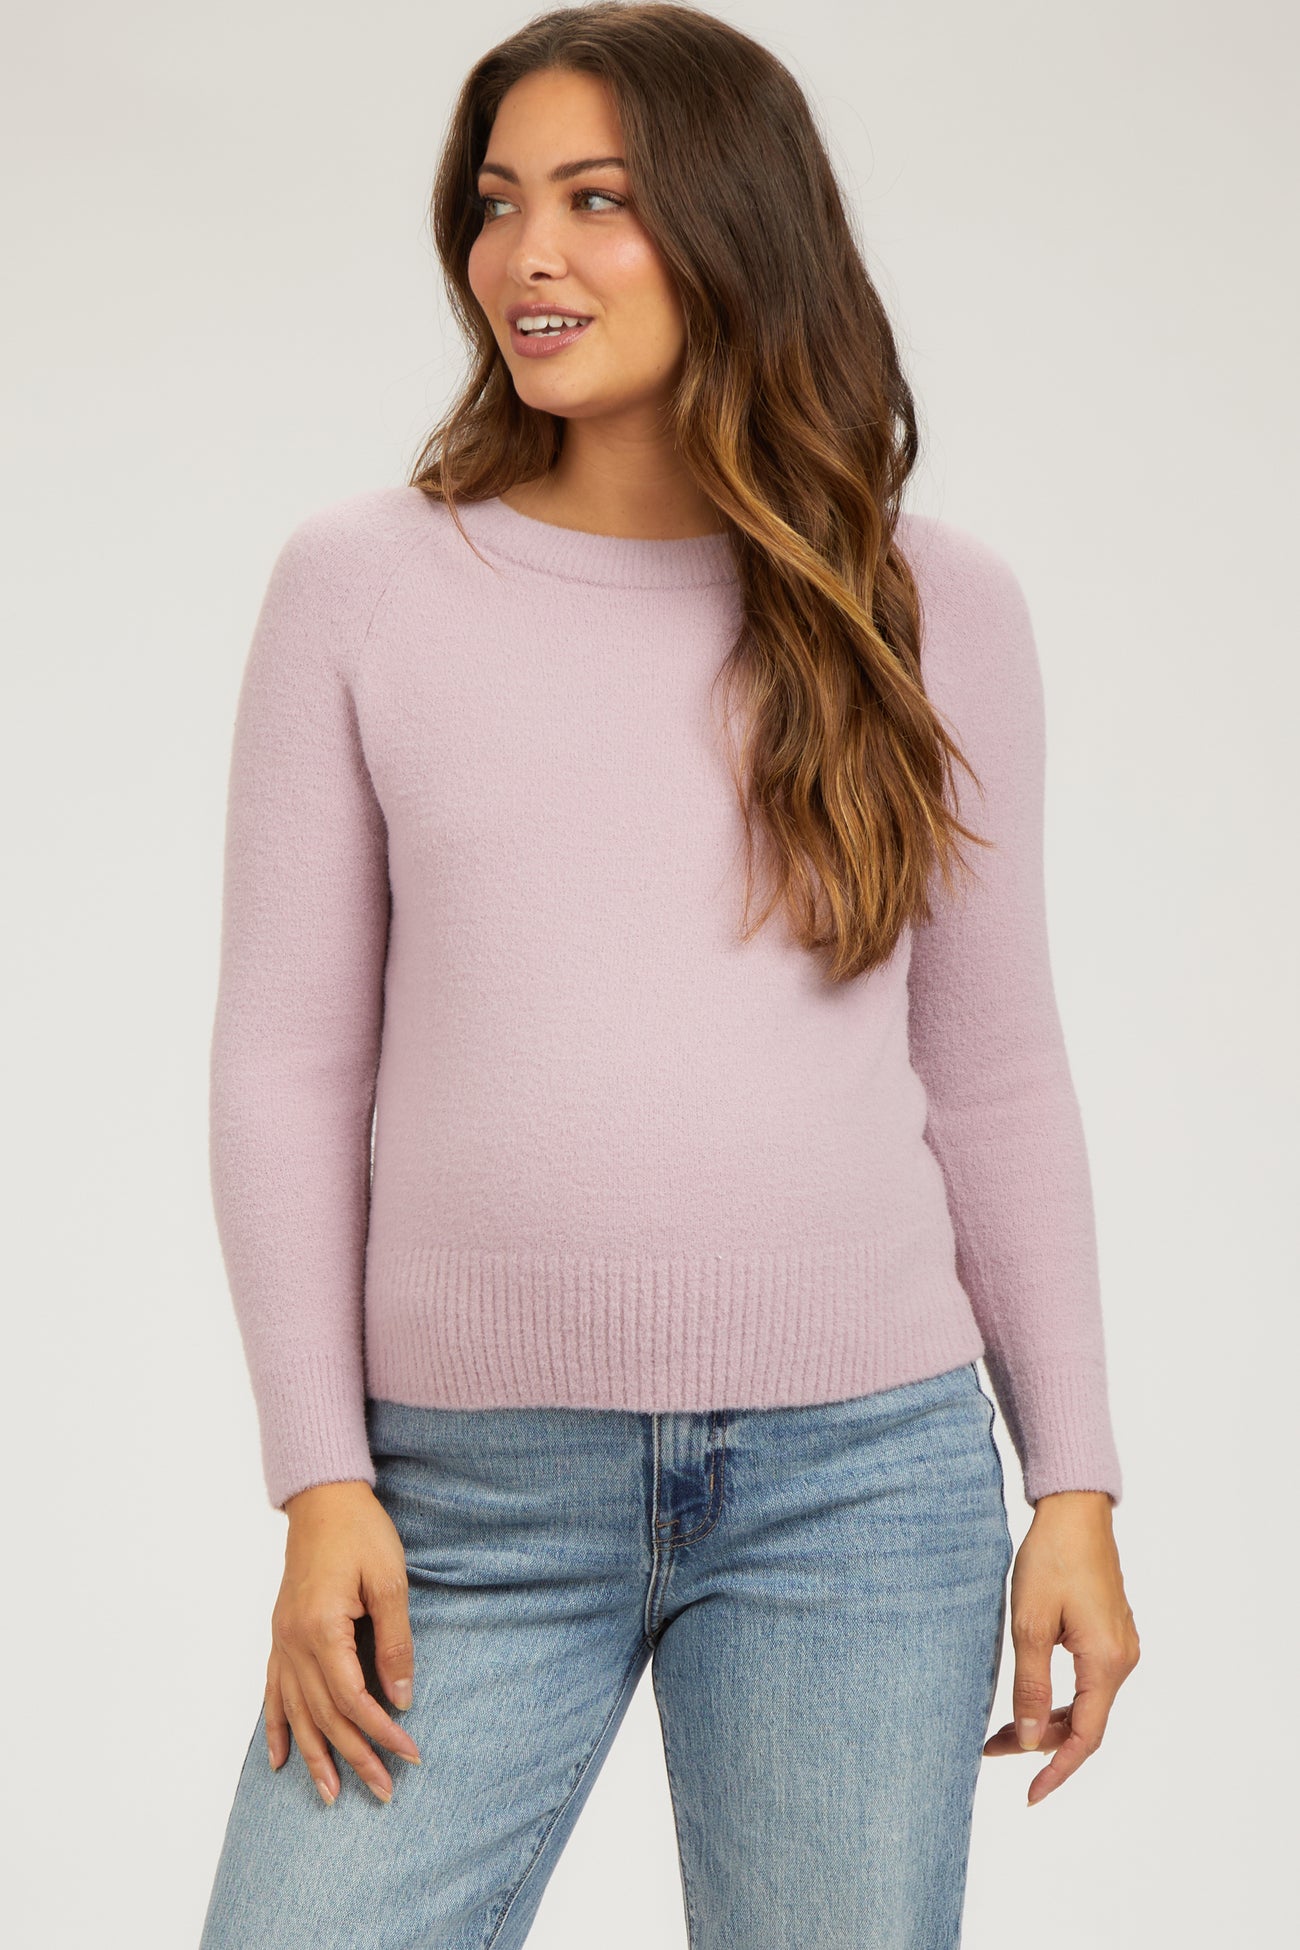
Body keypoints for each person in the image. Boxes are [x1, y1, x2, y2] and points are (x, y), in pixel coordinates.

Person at [198, 6, 1140, 1945]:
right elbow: (287, 1065)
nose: (525, 257)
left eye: (596, 201)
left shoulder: (922, 607)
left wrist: (1074, 1482)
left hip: (859, 1484)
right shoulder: (364, 585)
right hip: (456, 1500)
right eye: (496, 205)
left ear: (734, 225)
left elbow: (991, 1071)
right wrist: (317, 1480)